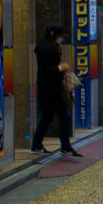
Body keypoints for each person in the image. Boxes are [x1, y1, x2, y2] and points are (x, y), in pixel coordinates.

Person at [31, 24, 81, 156]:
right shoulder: (44, 49)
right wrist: (60, 67)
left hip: (52, 89)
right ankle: (64, 146)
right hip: (49, 91)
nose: (60, 39)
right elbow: (45, 70)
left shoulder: (50, 47)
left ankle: (37, 145)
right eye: (59, 36)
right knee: (64, 115)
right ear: (53, 34)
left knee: (48, 117)